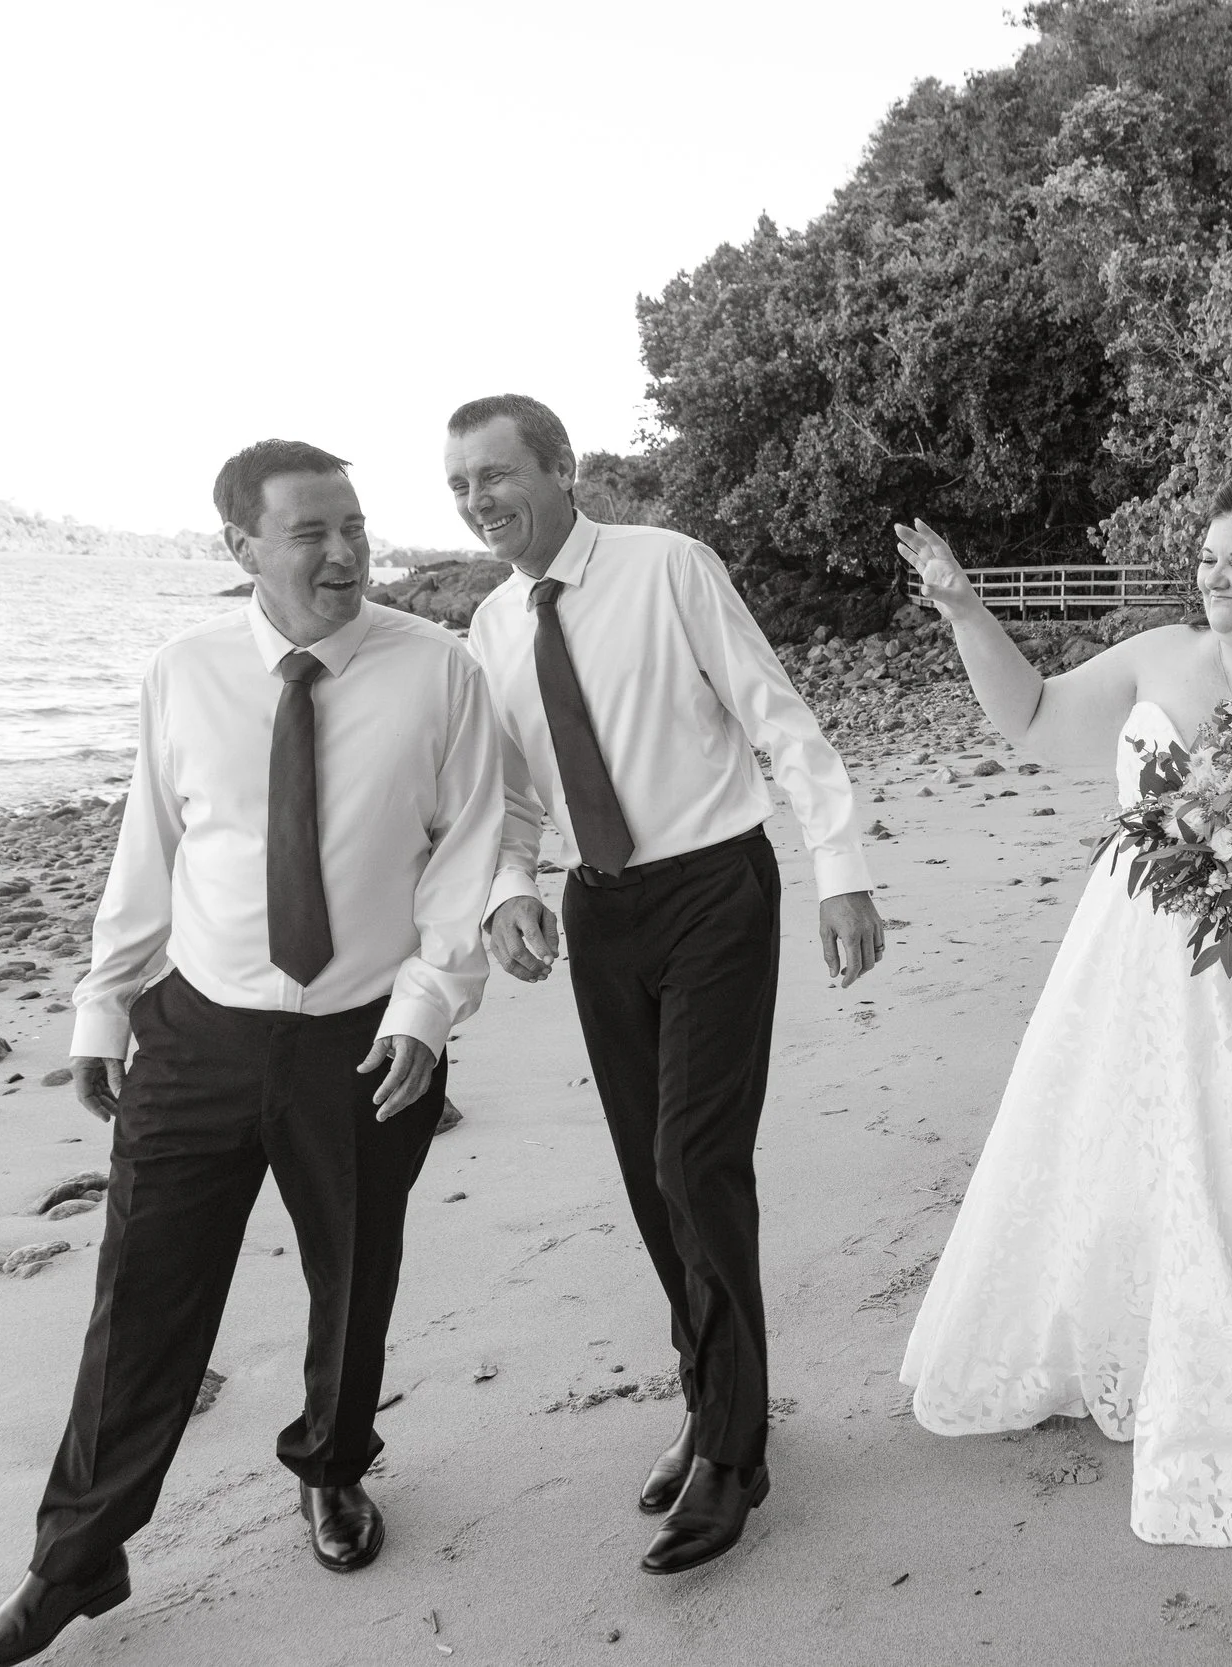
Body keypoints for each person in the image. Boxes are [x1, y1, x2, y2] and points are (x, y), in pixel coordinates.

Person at [0, 442, 504, 1667]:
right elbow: (151, 845)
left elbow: (466, 852)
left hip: (365, 1037)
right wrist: (103, 1003)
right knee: (140, 1297)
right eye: (310, 531)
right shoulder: (182, 671)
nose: (345, 550)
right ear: (240, 547)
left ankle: (333, 1468)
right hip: (196, 1029)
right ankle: (73, 1559)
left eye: (354, 524)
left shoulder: (439, 669)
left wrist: (426, 1003)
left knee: (355, 1278)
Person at [894, 466, 1232, 1588]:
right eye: (1205, 558)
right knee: (1162, 1161)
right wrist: (964, 610)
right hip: (1145, 960)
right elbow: (1037, 719)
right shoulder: (1157, 655)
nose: (1213, 578)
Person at [448, 394, 885, 1576]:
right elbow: (515, 798)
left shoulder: (667, 566)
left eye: (498, 474)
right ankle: (706, 1400)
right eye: (460, 488)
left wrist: (837, 868)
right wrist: (509, 889)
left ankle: (736, 1453)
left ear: (561, 467)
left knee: (697, 1158)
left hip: (714, 890)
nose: (481, 501)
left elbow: (779, 719)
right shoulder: (491, 628)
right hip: (603, 908)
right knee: (651, 1175)